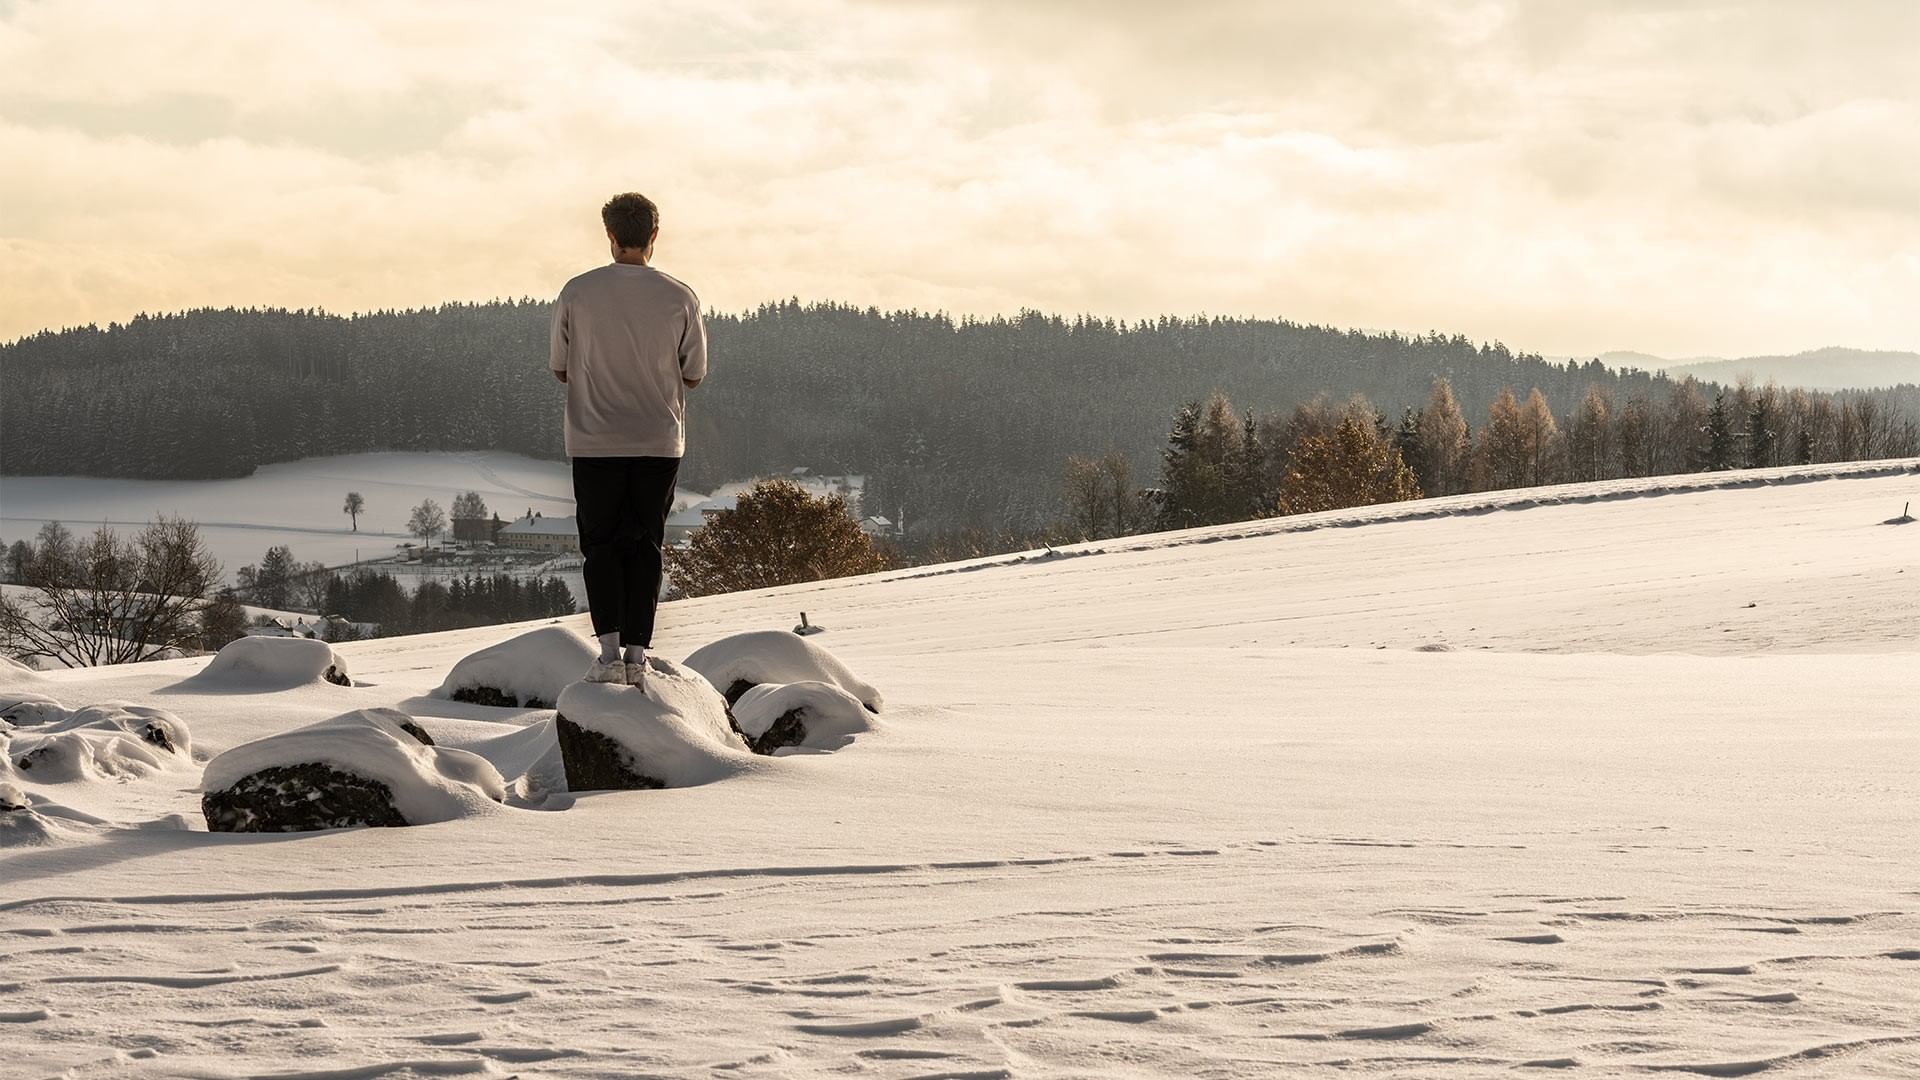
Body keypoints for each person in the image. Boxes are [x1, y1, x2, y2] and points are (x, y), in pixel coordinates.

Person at [550, 192, 706, 689]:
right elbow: (695, 374)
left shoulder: (577, 292)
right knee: (646, 546)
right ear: (654, 235)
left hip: (594, 439)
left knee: (600, 546)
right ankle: (639, 656)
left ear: (610, 235)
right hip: (659, 439)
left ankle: (609, 654)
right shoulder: (680, 297)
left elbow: (559, 367)